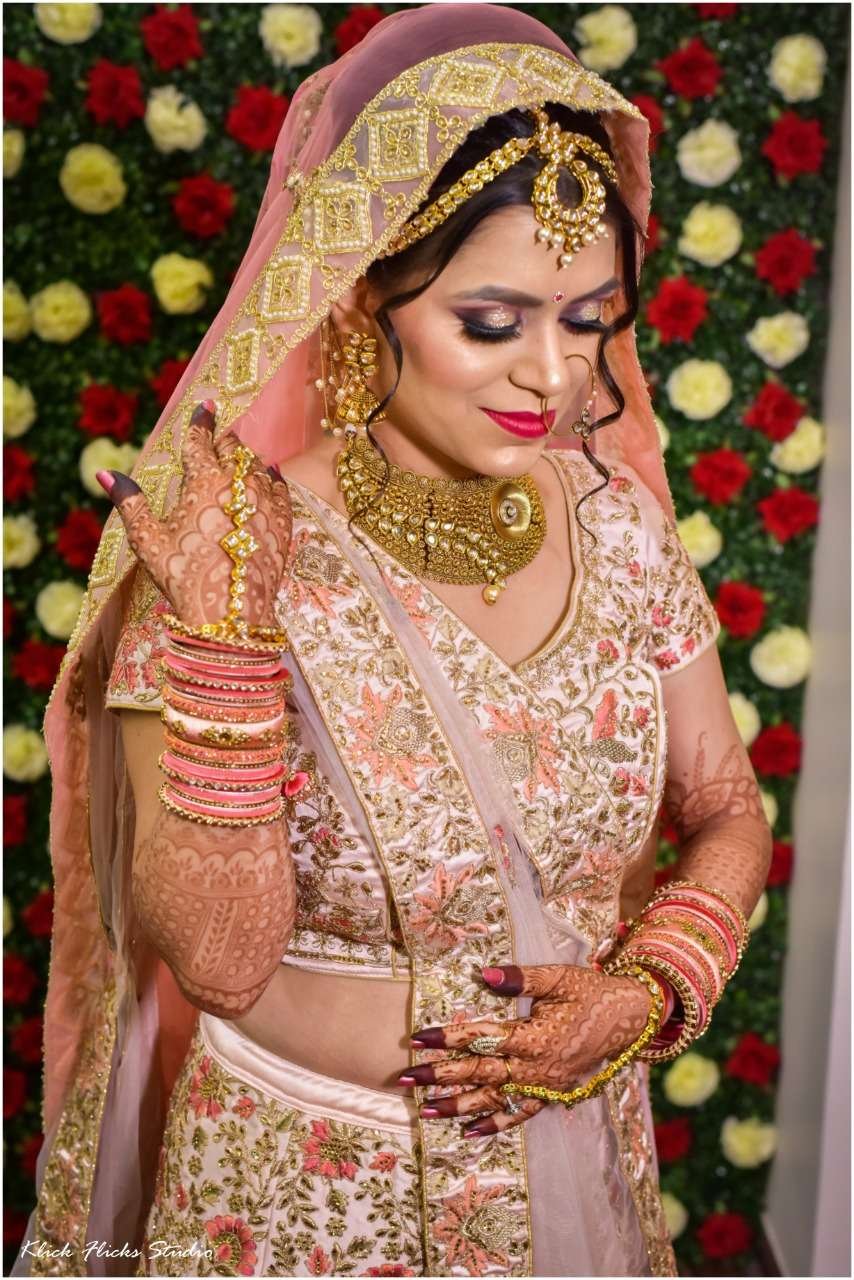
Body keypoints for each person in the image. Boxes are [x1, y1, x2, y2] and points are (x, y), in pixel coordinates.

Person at [15, 5, 773, 1278]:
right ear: (364, 288)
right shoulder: (229, 549)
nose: (552, 374)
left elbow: (725, 808)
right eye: (492, 321)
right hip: (305, 1198)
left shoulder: (621, 528)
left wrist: (646, 991)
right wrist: (221, 643)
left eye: (587, 318)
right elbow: (222, 962)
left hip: (578, 1170)